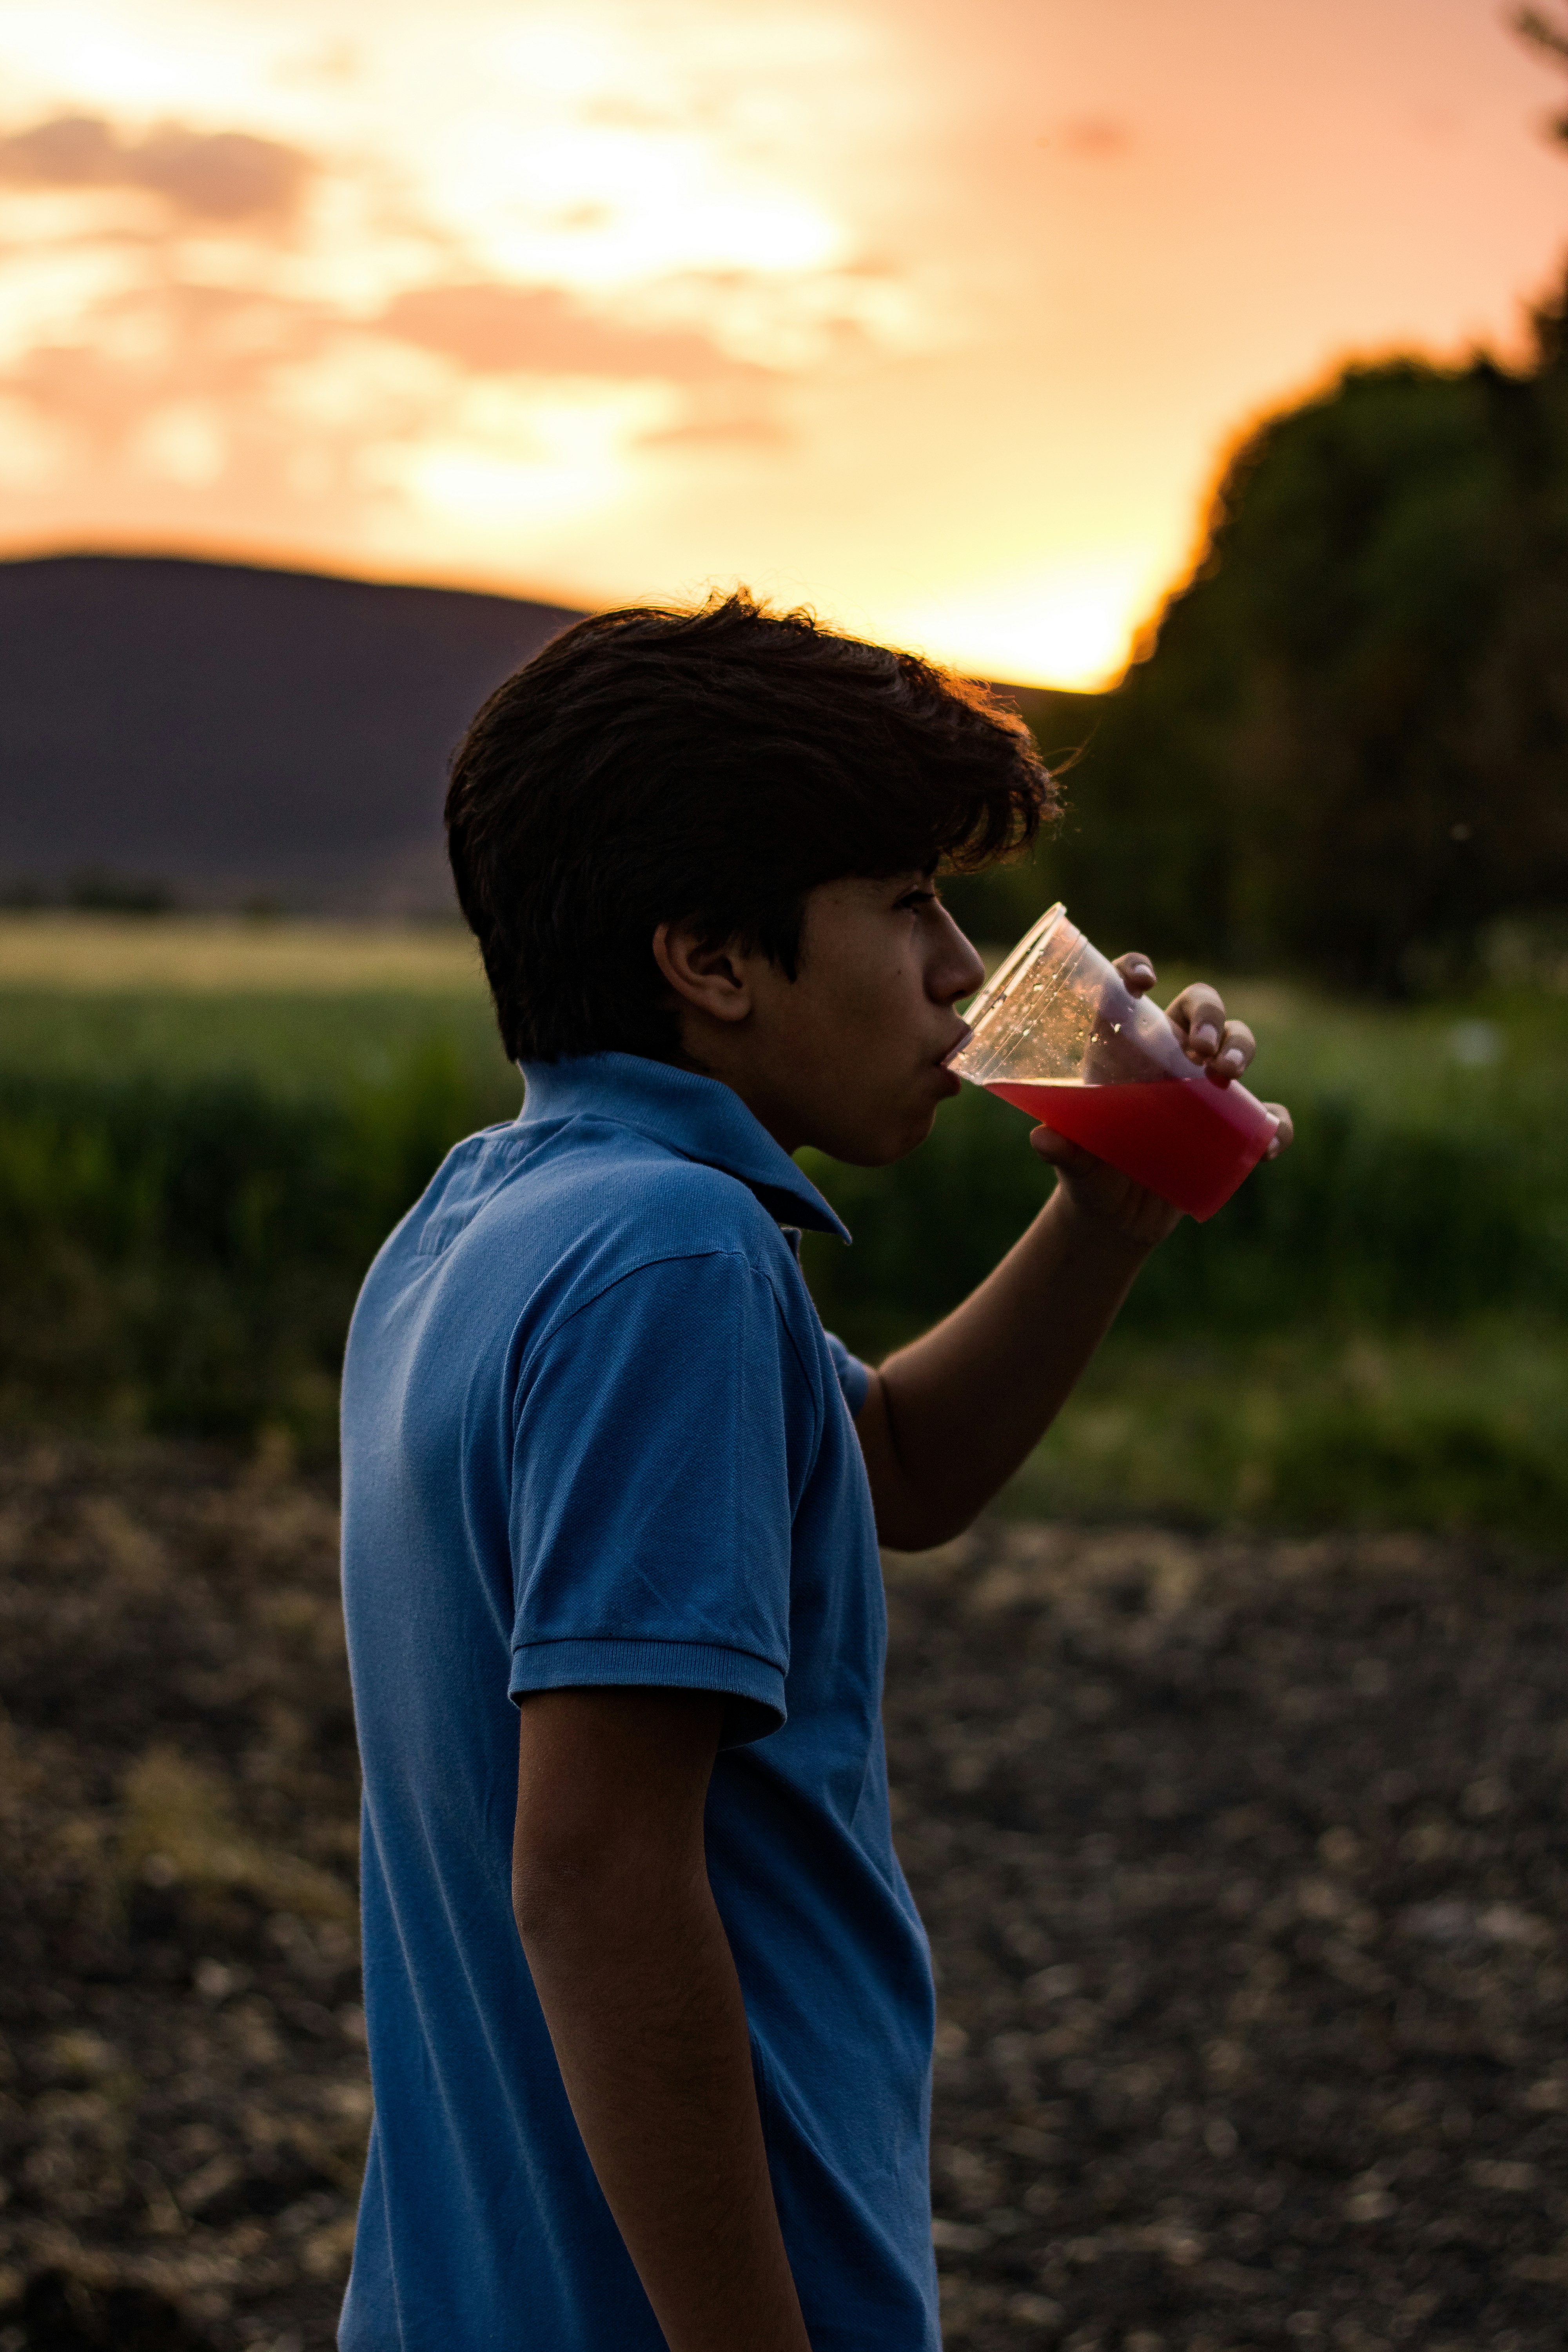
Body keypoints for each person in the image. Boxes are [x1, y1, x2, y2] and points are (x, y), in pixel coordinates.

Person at [336, 591, 1291, 2352]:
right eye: (908, 900)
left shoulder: (487, 1219)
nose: (959, 965)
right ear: (710, 958)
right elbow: (601, 1874)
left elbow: (900, 1472)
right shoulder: (672, 1260)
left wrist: (1107, 1212)